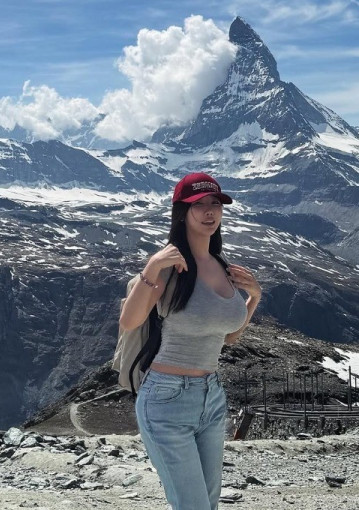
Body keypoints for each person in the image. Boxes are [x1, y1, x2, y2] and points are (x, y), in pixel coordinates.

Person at [119, 172, 262, 510]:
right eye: (199, 204)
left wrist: (254, 297)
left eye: (215, 203)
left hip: (211, 397)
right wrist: (151, 268)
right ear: (182, 212)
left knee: (207, 504)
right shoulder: (170, 267)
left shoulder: (222, 266)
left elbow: (228, 337)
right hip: (166, 398)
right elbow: (129, 321)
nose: (210, 211)